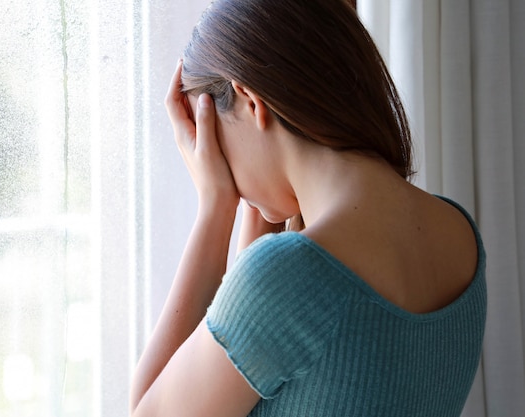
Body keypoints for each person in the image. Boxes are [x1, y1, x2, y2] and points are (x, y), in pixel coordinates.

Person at [129, 0, 486, 415]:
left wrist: (215, 206)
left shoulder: (288, 276)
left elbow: (147, 409)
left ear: (249, 99)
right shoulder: (460, 234)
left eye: (216, 145)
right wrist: (260, 188)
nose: (220, 168)